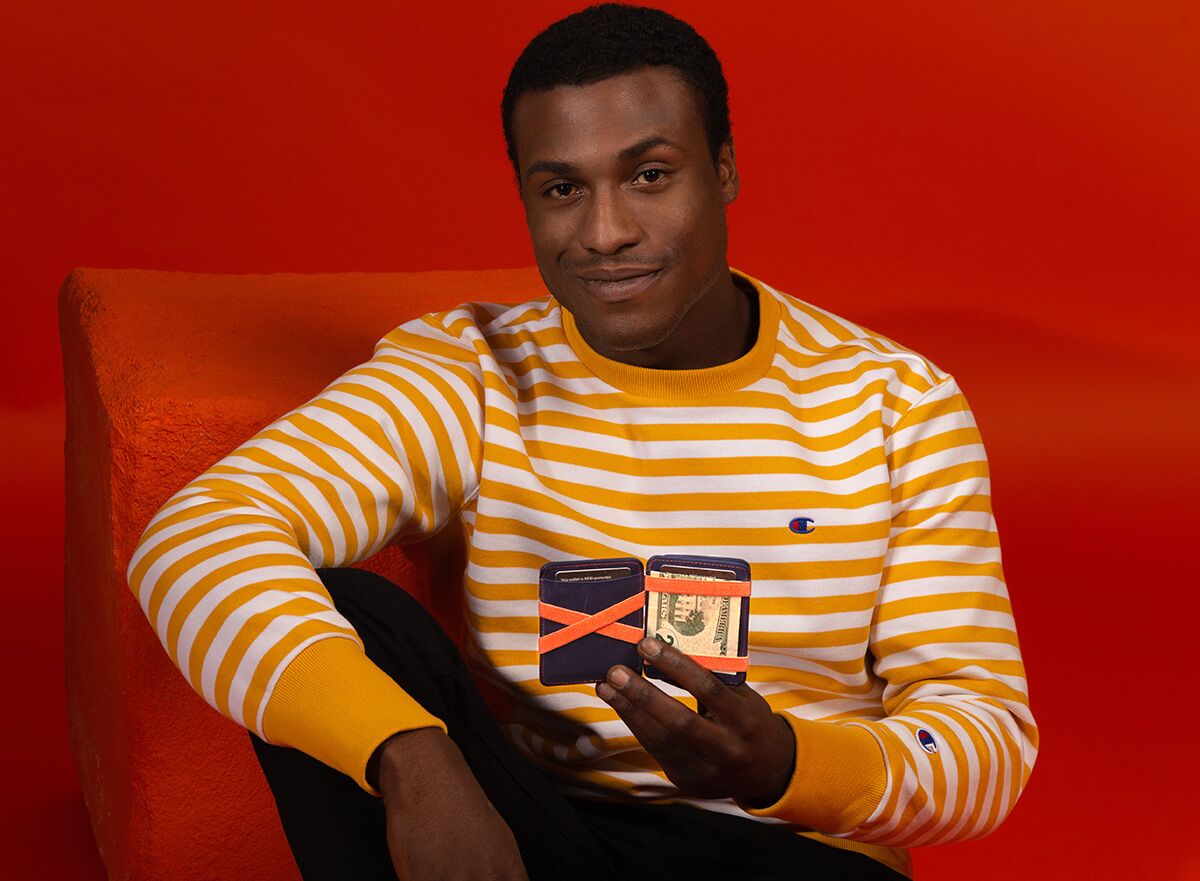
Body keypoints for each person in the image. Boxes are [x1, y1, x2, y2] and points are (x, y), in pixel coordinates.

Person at [125, 4, 1038, 880]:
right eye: (563, 188)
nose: (606, 234)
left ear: (723, 169)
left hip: (793, 850)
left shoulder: (893, 404)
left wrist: (785, 762)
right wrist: (407, 757)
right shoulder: (469, 370)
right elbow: (199, 535)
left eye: (650, 175)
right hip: (545, 836)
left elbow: (983, 738)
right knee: (355, 614)